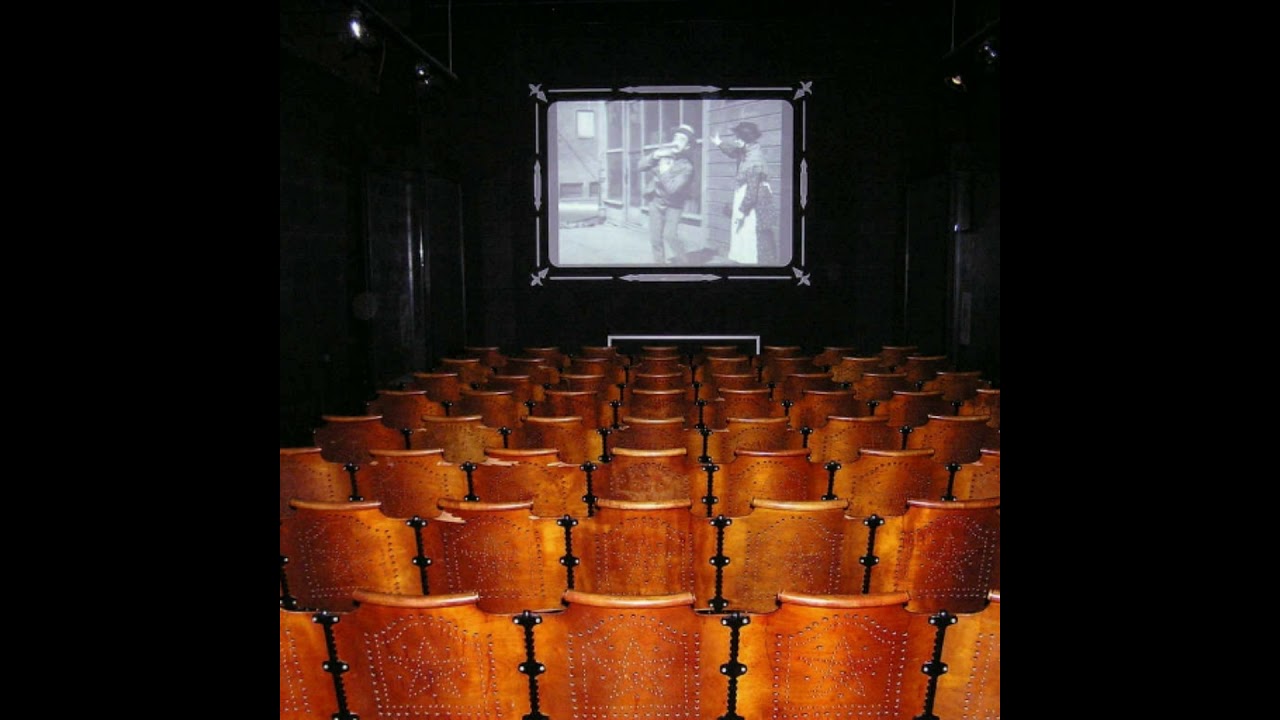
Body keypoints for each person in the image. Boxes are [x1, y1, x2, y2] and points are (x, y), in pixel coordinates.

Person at [712, 121, 776, 264]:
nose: (735, 140)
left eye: (737, 137)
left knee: (750, 236)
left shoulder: (754, 161)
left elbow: (752, 192)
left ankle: (752, 265)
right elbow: (733, 152)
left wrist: (742, 211)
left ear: (745, 139)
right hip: (749, 195)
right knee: (744, 234)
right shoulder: (747, 150)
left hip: (755, 203)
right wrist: (719, 143)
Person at [638, 124, 698, 264]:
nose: (676, 142)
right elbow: (640, 166)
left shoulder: (687, 167)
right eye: (675, 138)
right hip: (656, 201)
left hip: (674, 205)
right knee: (655, 238)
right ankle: (660, 265)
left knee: (670, 236)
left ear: (687, 146)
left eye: (682, 140)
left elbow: (672, 188)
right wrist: (655, 155)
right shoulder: (664, 155)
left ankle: (685, 264)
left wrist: (664, 171)